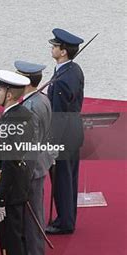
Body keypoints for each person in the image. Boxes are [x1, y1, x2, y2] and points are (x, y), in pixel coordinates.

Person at [0, 70, 34, 255]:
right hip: (18, 190)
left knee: (10, 242)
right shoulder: (22, 114)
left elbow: (10, 163)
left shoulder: (11, 121)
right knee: (18, 238)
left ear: (8, 94)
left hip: (7, 191)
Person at [14, 61, 54, 255]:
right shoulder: (42, 99)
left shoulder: (29, 107)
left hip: (32, 167)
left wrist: (23, 171)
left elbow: (29, 144)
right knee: (33, 212)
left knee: (32, 215)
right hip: (42, 162)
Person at [45, 28, 85, 235]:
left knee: (62, 180)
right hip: (74, 130)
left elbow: (58, 114)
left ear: (63, 52)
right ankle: (68, 217)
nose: (52, 48)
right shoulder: (74, 69)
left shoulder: (61, 79)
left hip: (63, 134)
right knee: (70, 177)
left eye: (55, 46)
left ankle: (64, 222)